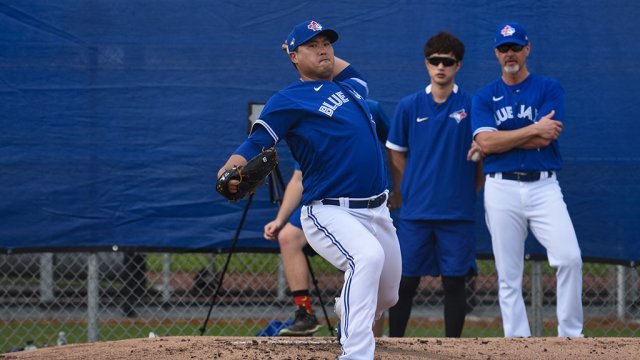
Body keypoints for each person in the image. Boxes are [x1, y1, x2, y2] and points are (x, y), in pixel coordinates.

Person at [218, 20, 401, 359]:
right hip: (330, 210)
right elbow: (255, 142)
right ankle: (355, 353)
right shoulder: (288, 99)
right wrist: (230, 168)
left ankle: (347, 308)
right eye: (312, 45)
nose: (324, 49)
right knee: (367, 258)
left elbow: (341, 65)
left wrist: (313, 51)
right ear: (293, 57)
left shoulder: (350, 88)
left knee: (388, 296)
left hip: (377, 210)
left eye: (327, 43)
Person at [469, 22, 583, 338]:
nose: (510, 54)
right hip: (501, 186)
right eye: (504, 48)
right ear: (496, 53)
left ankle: (572, 336)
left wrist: (499, 139)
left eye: (516, 47)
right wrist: (532, 129)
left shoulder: (548, 88)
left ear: (527, 49)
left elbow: (545, 139)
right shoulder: (485, 96)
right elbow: (488, 144)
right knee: (508, 274)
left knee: (570, 258)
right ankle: (517, 343)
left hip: (544, 185)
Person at [264, 99, 391, 337]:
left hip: (361, 204)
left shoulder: (368, 108)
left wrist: (396, 189)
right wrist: (280, 219)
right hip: (324, 206)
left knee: (377, 276)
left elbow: (395, 147)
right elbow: (299, 177)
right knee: (289, 236)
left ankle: (365, 330)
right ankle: (305, 314)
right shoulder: (311, 116)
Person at [385, 32, 482, 338]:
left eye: (447, 61)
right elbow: (396, 152)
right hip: (416, 212)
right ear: (426, 63)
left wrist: (464, 188)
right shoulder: (409, 106)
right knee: (405, 282)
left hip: (458, 213)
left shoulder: (472, 105)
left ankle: (453, 349)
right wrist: (412, 182)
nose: (441, 67)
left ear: (458, 65)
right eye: (434, 61)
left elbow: (481, 162)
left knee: (454, 283)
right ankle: (396, 346)